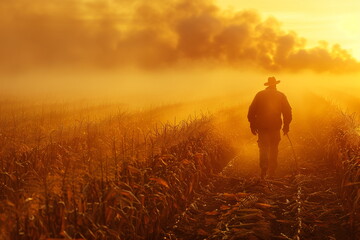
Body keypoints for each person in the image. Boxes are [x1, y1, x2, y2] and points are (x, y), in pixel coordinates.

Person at [247, 77, 292, 179]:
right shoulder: (281, 95)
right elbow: (287, 112)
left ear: (268, 85)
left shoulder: (260, 94)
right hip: (275, 127)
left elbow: (251, 111)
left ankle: (263, 169)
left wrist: (252, 125)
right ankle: (272, 171)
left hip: (262, 127)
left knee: (263, 148)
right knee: (274, 148)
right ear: (275, 85)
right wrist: (286, 126)